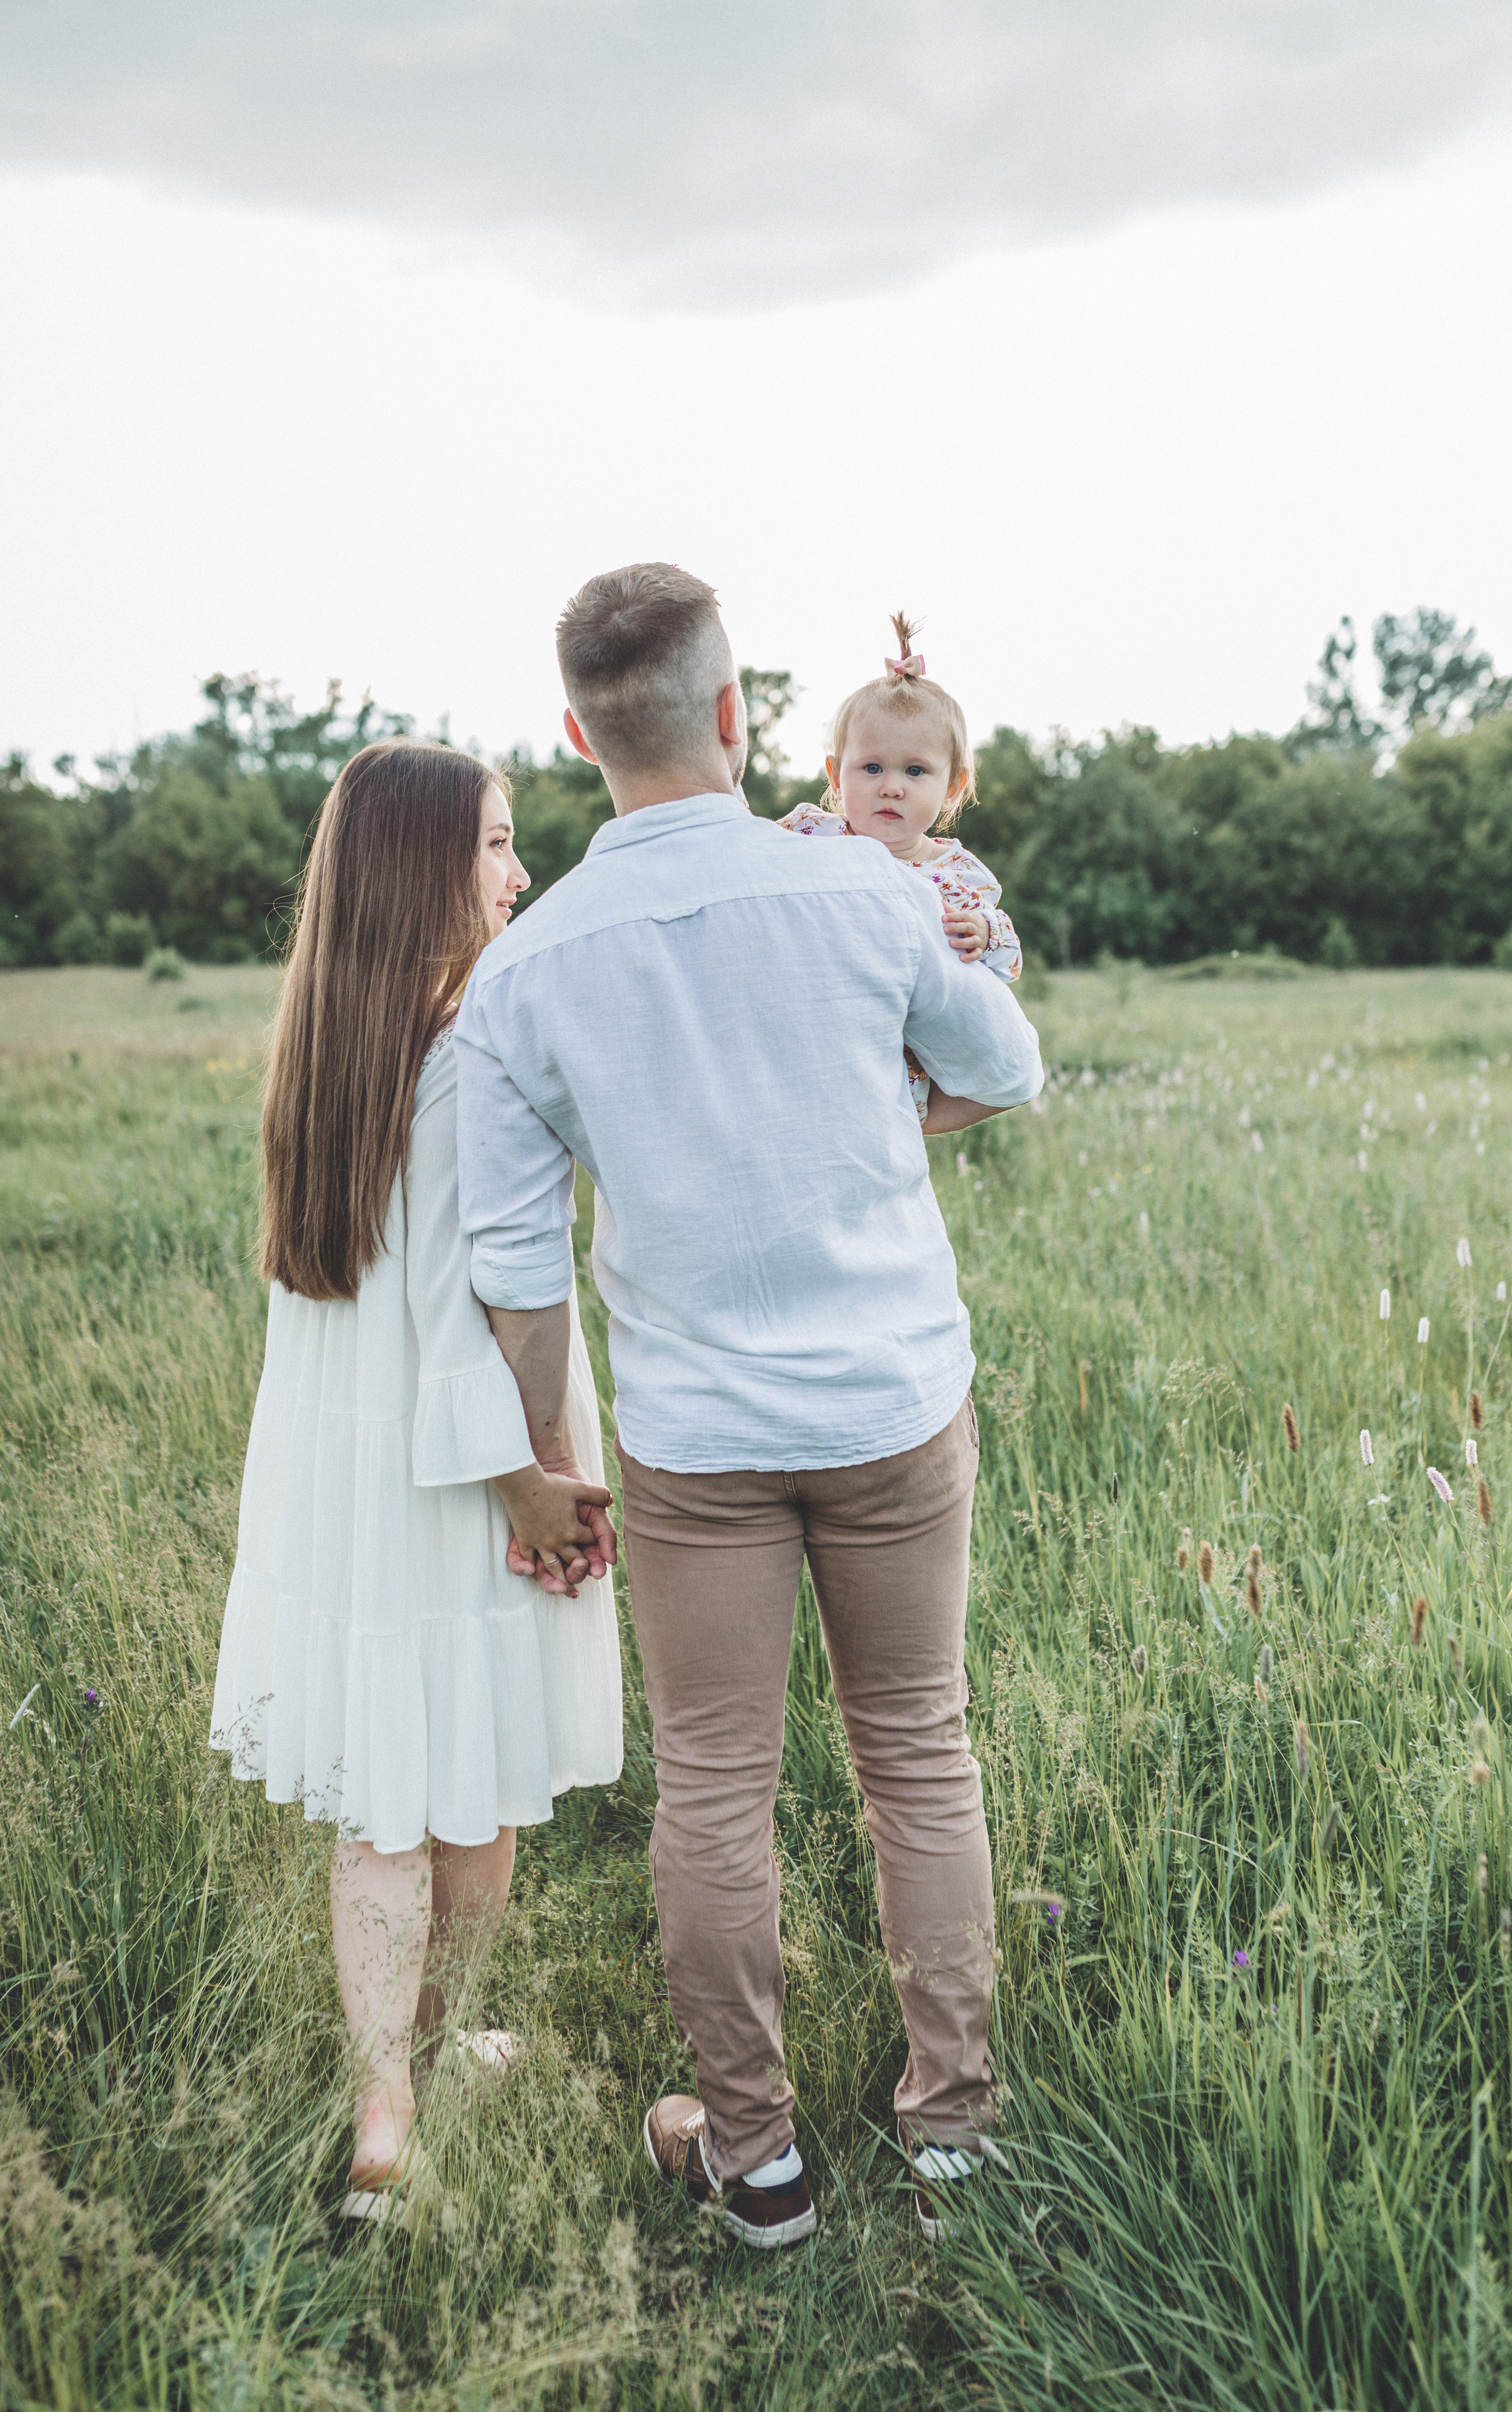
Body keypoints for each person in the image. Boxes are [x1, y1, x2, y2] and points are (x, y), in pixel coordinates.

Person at [453, 563, 1044, 2249]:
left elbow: (517, 1258)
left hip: (695, 1438)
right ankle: (950, 2132)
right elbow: (1005, 1067)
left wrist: (550, 1463)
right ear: (736, 713)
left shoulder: (534, 967)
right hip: (893, 1405)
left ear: (579, 738)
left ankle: (756, 2159)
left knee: (712, 1784)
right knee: (918, 1754)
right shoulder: (864, 899)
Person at [209, 739, 623, 2224]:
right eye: (500, 846)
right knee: (479, 1781)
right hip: (465, 1463)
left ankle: (383, 2094)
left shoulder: (327, 1042)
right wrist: (530, 1476)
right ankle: (425, 2069)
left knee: (381, 1797)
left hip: (347, 1474)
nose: (518, 873)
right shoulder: (472, 1052)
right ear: (427, 866)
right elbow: (478, 1298)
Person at [778, 610, 1022, 1124]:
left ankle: (919, 1125)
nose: (892, 786)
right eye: (871, 768)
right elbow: (744, 860)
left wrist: (984, 932)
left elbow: (1005, 957)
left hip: (897, 1066)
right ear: (835, 774)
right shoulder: (813, 835)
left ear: (953, 785)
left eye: (915, 771)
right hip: (812, 1039)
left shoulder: (957, 873)